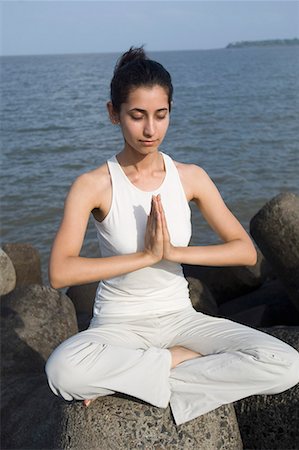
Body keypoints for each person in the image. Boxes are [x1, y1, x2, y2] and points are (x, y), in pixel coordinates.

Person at [45, 47, 299, 425]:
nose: (151, 130)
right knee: (62, 371)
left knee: (286, 364)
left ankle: (140, 379)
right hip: (118, 325)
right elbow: (60, 273)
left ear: (170, 112)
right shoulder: (92, 185)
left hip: (180, 318)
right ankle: (177, 362)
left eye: (160, 115)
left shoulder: (190, 177)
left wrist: (173, 251)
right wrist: (146, 257)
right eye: (137, 116)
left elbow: (245, 251)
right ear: (113, 113)